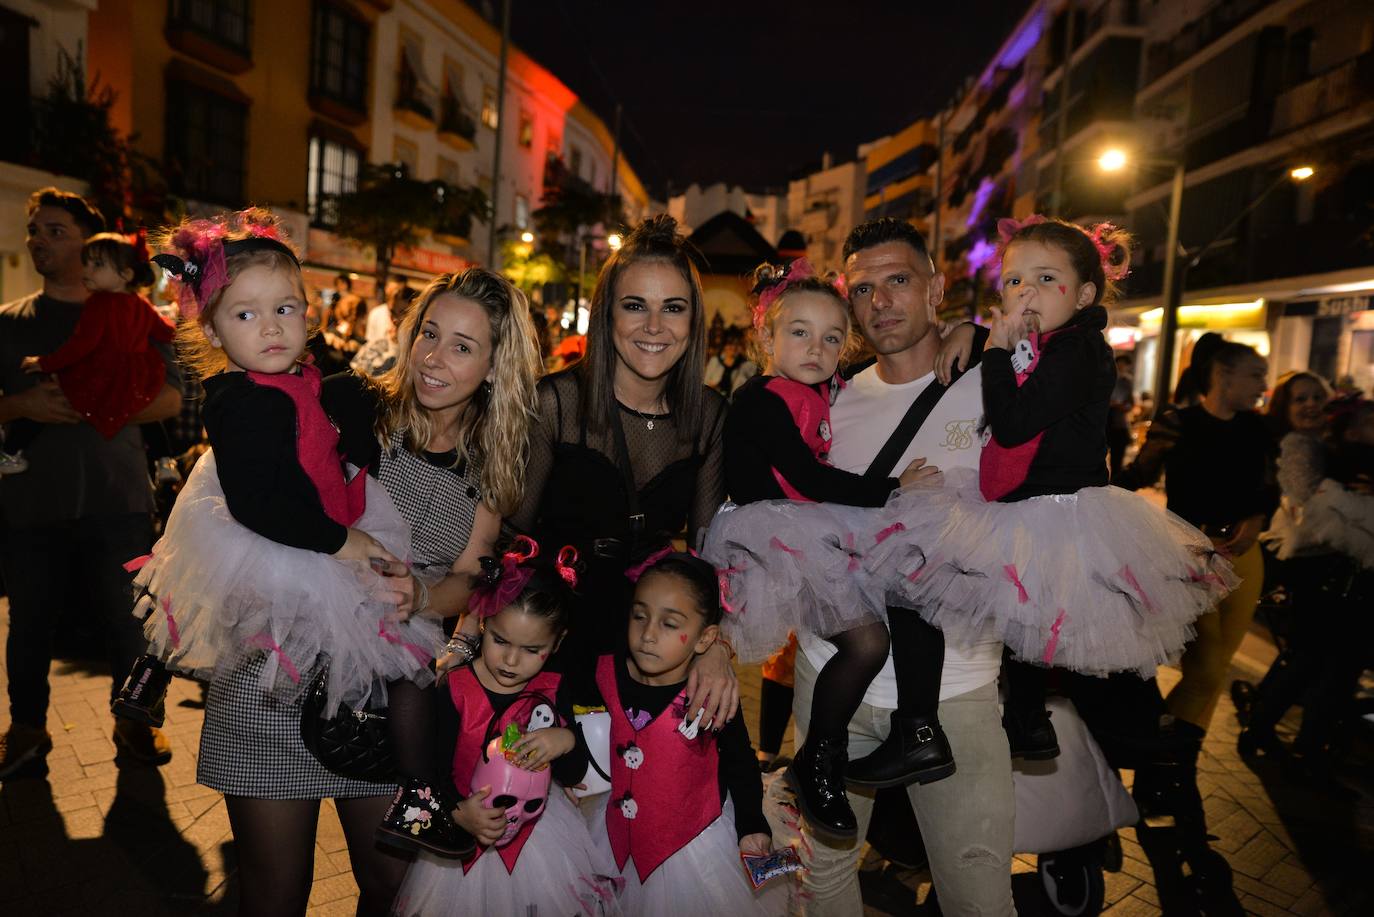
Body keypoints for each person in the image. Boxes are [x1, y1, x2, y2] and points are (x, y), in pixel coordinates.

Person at [127, 208, 447, 916]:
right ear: (213, 331)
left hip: (343, 602)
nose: (271, 326)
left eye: (285, 308)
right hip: (286, 582)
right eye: (247, 314)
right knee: (277, 890)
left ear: (308, 312)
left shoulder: (317, 382)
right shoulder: (235, 400)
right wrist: (346, 542)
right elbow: (260, 504)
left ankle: (422, 787)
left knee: (393, 875)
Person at [871, 216, 1235, 754]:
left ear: (1085, 293)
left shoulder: (1080, 350)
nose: (1026, 292)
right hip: (1023, 505)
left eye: (1045, 279)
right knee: (1024, 625)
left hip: (1061, 513)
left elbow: (1016, 421)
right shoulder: (1048, 342)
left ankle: (1139, 747)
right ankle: (1027, 721)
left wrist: (993, 349)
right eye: (1015, 281)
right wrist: (974, 332)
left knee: (1062, 635)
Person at [780, 217, 1013, 915]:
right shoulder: (830, 397)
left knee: (977, 890)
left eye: (898, 280)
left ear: (938, 288)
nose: (879, 300)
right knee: (819, 884)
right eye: (863, 288)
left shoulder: (995, 388)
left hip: (957, 688)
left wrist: (987, 332)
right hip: (831, 678)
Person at [700, 259, 941, 838]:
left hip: (803, 527)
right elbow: (808, 479)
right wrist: (892, 490)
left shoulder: (817, 385)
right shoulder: (762, 399)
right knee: (865, 641)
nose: (817, 347)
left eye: (832, 337)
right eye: (799, 333)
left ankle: (828, 752)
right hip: (768, 533)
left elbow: (886, 358)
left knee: (881, 627)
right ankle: (817, 758)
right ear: (767, 338)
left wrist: (960, 333)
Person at [508, 214, 736, 729]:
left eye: (673, 309)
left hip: (646, 646)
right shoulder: (556, 403)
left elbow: (708, 555)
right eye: (635, 306)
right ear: (606, 315)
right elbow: (508, 537)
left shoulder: (709, 415)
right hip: (550, 637)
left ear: (693, 322)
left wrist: (716, 644)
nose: (654, 327)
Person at [0, 188, 181, 778]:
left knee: (129, 620)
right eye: (35, 231)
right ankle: (26, 728)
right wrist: (18, 403)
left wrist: (103, 405)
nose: (39, 241)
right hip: (31, 502)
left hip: (118, 495)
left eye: (55, 231)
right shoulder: (10, 323)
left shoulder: (128, 314)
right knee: (29, 621)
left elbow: (174, 397)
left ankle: (135, 723)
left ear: (90, 244)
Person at [392, 539, 624, 917]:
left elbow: (575, 773)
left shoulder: (552, 688)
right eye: (500, 641)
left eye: (533, 650)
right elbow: (431, 771)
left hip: (538, 837)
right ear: (482, 621)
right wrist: (457, 811)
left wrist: (565, 739)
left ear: (557, 642)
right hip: (463, 831)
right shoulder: (455, 689)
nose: (513, 660)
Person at [581, 552, 785, 916]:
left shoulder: (711, 694)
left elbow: (739, 761)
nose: (647, 634)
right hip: (614, 840)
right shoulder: (603, 673)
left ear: (706, 639)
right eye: (639, 616)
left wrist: (751, 822)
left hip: (690, 847)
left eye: (670, 623)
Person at [1116, 341, 1278, 740]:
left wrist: (1256, 520)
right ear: (1224, 375)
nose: (1263, 383)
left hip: (1244, 554)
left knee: (1217, 670)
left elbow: (1269, 487)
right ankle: (1161, 756)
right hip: (1190, 556)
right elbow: (1139, 475)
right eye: (1255, 374)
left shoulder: (1258, 427)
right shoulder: (1179, 422)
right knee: (1204, 670)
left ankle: (1174, 770)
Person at [1243, 393, 1374, 777]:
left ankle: (1277, 735)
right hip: (1338, 580)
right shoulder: (1350, 459)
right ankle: (1300, 745)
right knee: (1324, 663)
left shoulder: (1343, 457)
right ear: (1351, 429)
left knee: (1319, 662)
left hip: (1342, 580)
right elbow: (1334, 515)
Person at [704, 325, 757, 398]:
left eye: (737, 344)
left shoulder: (748, 366)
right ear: (724, 345)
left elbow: (750, 391)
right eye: (730, 344)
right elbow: (705, 384)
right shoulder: (715, 361)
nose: (733, 347)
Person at [1107, 352, 1135, 478]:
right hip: (1105, 423)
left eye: (1125, 365)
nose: (1122, 367)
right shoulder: (1107, 377)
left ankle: (1114, 483)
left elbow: (1130, 404)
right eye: (1120, 364)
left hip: (1119, 424)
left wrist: (1120, 406)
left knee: (1117, 461)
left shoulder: (1126, 382)